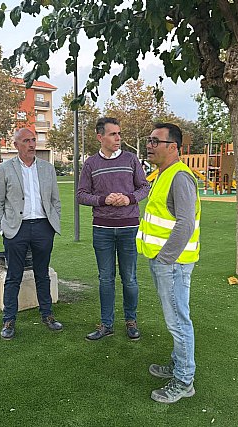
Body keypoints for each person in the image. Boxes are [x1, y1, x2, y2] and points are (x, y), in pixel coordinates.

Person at [136, 123, 201, 404]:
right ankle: (178, 366)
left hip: (172, 263)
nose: (149, 145)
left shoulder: (179, 177)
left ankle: (185, 380)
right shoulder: (162, 174)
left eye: (155, 141)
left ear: (172, 147)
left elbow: (185, 224)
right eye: (149, 140)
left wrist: (165, 258)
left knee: (178, 321)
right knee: (176, 317)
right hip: (165, 261)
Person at [77, 117, 149, 341]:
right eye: (113, 134)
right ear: (100, 137)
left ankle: (131, 321)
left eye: (119, 133)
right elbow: (81, 195)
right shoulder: (90, 164)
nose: (118, 138)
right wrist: (103, 199)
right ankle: (106, 324)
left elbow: (144, 187)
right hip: (102, 229)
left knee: (129, 278)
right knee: (105, 279)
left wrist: (128, 199)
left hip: (129, 227)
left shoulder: (131, 159)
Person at [0, 127, 62, 339]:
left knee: (43, 273)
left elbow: (55, 200)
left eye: (33, 140)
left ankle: (47, 314)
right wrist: (2, 226)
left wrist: (52, 223)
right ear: (16, 145)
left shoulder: (47, 168)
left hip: (43, 227)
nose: (32, 144)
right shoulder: (5, 168)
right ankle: (9, 320)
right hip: (16, 228)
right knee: (14, 275)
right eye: (26, 141)